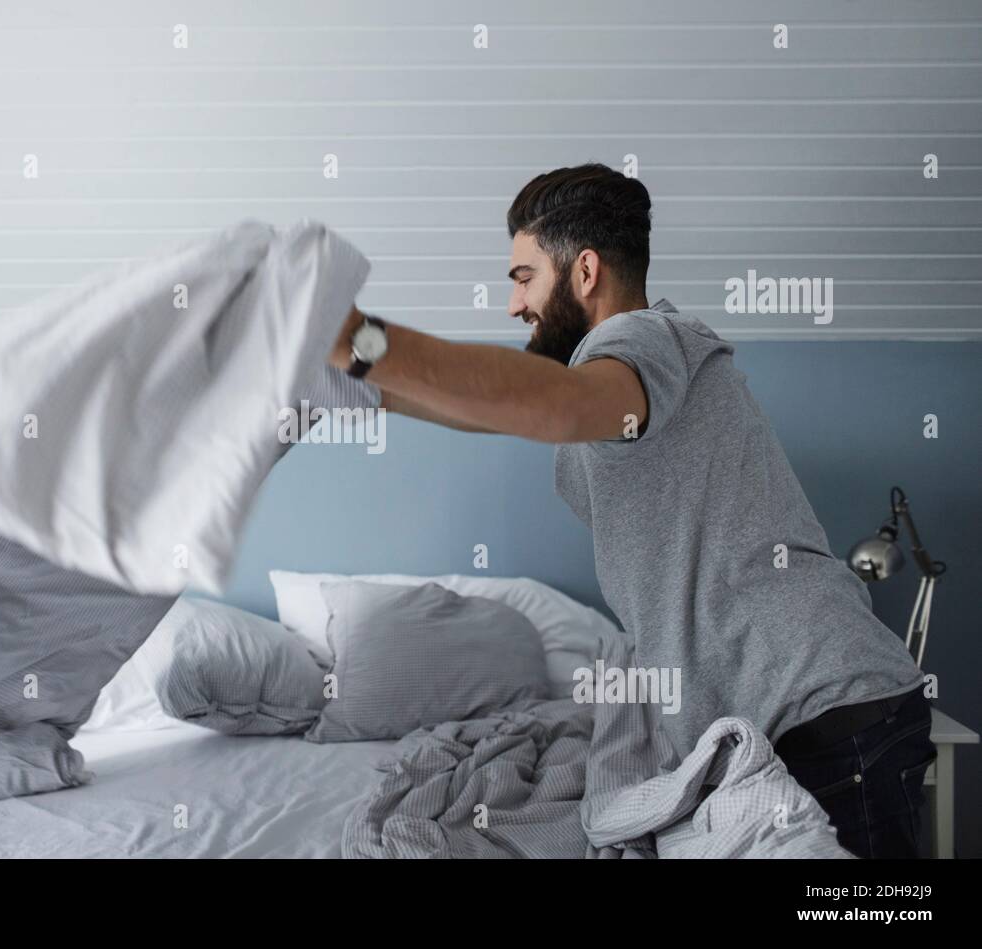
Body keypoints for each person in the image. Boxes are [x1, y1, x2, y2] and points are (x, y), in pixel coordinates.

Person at [327, 163, 933, 859]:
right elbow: (502, 409)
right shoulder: (616, 378)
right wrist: (354, 390)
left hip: (828, 710)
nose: (513, 304)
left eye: (523, 276)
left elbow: (544, 404)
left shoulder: (645, 338)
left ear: (584, 271)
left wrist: (356, 339)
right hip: (804, 718)